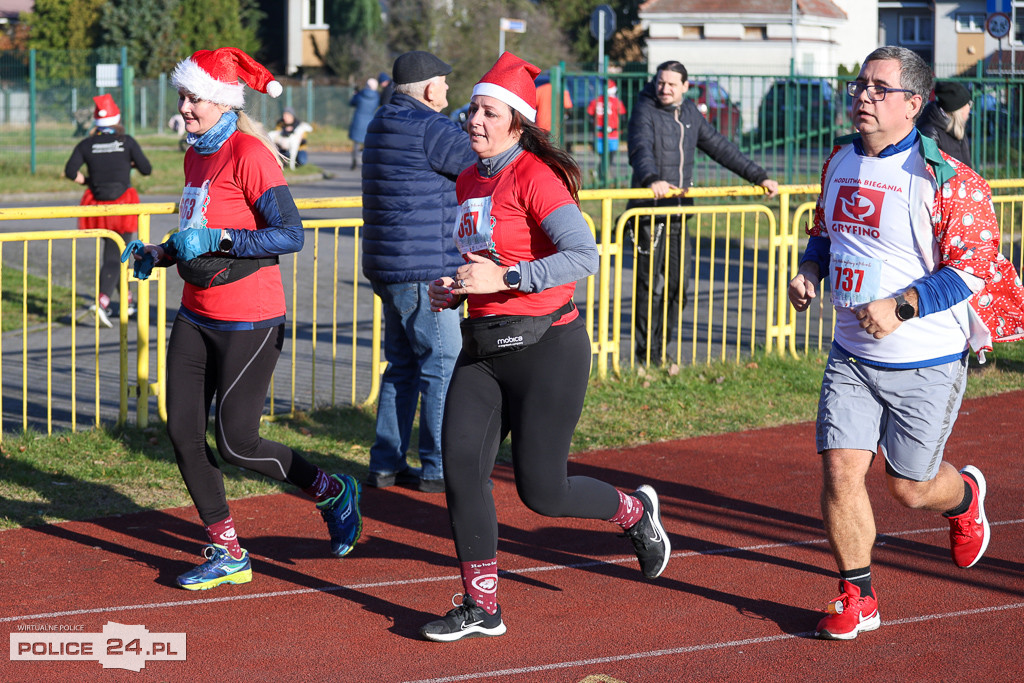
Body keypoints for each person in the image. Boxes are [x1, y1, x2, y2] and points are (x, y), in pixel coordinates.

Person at [420, 52, 671, 642]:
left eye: (488, 113)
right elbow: (488, 258)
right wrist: (457, 287)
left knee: (543, 492)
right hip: (483, 346)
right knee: (460, 467)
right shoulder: (468, 178)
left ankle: (634, 511)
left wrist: (505, 281)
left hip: (547, 346)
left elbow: (585, 257)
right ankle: (482, 607)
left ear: (518, 122)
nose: (474, 121)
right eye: (472, 110)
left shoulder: (535, 175)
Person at [788, 46, 1024, 641]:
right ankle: (857, 594)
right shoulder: (839, 159)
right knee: (842, 472)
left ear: (914, 104)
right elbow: (824, 231)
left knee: (909, 487)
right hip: (850, 355)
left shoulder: (948, 180)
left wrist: (902, 306)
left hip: (927, 360)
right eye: (859, 85)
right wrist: (810, 271)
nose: (862, 96)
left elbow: (975, 266)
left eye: (878, 88)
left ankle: (964, 497)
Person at [121, 47, 362, 591]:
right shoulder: (195, 156)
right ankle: (228, 551)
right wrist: (161, 253)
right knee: (182, 431)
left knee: (237, 443)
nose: (184, 107)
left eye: (194, 98)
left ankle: (332, 490)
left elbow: (289, 235)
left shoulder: (248, 151)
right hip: (195, 313)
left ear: (223, 101)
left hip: (249, 317)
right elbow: (197, 234)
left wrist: (220, 238)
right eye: (182, 96)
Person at [360, 50, 478, 494]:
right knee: (443, 364)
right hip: (424, 268)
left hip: (388, 265)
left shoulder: (381, 123)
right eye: (445, 82)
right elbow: (479, 162)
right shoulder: (433, 128)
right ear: (430, 89)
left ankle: (386, 462)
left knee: (402, 366)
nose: (448, 89)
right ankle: (438, 466)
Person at [627, 60, 779, 364]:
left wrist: (758, 176)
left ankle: (662, 351)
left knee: (679, 287)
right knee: (649, 286)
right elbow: (639, 147)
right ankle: (644, 357)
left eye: (671, 84)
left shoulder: (690, 115)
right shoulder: (645, 109)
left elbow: (721, 148)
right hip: (649, 215)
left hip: (680, 214)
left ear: (685, 86)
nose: (664, 89)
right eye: (660, 82)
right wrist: (651, 179)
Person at [65, 94, 152, 328]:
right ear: (117, 119)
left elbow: (70, 171)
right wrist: (129, 163)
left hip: (97, 206)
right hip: (123, 204)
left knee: (112, 253)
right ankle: (102, 303)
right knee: (115, 256)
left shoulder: (86, 144)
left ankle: (126, 300)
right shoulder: (127, 141)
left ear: (96, 122)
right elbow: (147, 169)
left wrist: (87, 182)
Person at [917, 80, 973, 169]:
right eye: (968, 104)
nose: (970, 108)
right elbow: (929, 171)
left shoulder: (958, 129)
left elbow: (966, 168)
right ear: (958, 109)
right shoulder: (930, 132)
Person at [586, 79, 628, 162]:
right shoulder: (616, 102)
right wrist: (622, 128)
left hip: (599, 132)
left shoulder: (595, 101)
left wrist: (593, 128)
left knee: (602, 155)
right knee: (610, 154)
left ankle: (601, 169)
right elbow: (623, 117)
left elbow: (589, 116)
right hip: (613, 132)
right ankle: (604, 170)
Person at [349, 77, 380, 170]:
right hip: (370, 120)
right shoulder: (377, 97)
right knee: (367, 143)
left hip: (358, 120)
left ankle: (354, 159)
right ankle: (366, 162)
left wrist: (355, 94)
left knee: (356, 142)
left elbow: (352, 102)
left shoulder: (360, 95)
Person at [534, 71, 572, 135]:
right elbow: (567, 106)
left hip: (541, 125)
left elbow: (533, 105)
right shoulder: (562, 90)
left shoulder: (540, 89)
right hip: (557, 125)